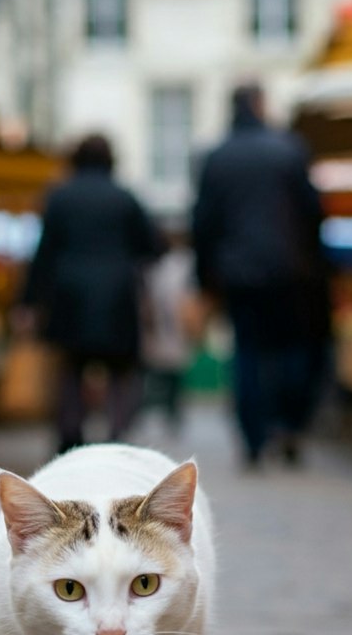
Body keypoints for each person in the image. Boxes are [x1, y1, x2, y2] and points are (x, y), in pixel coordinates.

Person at [191, 82, 332, 467]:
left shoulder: (216, 158)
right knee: (291, 349)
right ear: (260, 104)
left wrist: (205, 278)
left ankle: (253, 439)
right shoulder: (288, 149)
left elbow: (202, 223)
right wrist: (315, 265)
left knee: (248, 355)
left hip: (238, 274)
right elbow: (313, 212)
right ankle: (289, 424)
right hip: (290, 271)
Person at [21, 133, 165, 454]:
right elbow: (154, 246)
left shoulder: (59, 197)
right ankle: (117, 433)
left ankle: (70, 434)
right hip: (116, 295)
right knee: (120, 369)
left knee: (71, 368)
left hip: (69, 295)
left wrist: (28, 301)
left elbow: (43, 254)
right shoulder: (125, 197)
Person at [141, 223, 196, 436]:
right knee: (167, 370)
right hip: (168, 324)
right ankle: (167, 410)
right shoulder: (179, 263)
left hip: (169, 323)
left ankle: (167, 410)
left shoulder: (159, 265)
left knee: (166, 369)